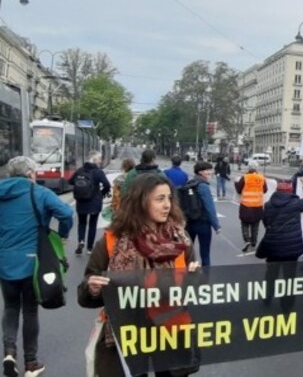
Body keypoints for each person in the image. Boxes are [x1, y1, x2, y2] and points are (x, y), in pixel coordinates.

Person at [77, 173, 201, 377]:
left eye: (169, 198)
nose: (167, 205)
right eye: (159, 199)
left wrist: (195, 277)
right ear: (139, 202)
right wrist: (92, 288)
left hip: (171, 332)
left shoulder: (181, 238)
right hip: (128, 334)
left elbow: (193, 290)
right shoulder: (111, 241)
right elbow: (86, 290)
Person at [0, 157, 73, 377]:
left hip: (4, 261)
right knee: (30, 310)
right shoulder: (38, 193)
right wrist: (62, 235)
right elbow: (67, 214)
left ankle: (9, 353)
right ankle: (31, 362)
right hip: (33, 263)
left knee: (11, 307)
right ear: (31, 173)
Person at [256, 177, 303, 264]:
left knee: (272, 273)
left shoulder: (268, 205)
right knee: (289, 274)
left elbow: (266, 222)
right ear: (290, 190)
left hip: (273, 245)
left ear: (277, 189)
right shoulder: (295, 203)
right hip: (292, 246)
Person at [69, 151, 111, 255]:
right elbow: (107, 185)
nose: (101, 161)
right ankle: (89, 248)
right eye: (99, 159)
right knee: (92, 224)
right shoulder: (98, 172)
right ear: (95, 159)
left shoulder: (80, 170)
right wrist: (101, 193)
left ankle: (81, 241)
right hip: (94, 201)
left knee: (82, 223)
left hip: (81, 201)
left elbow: (70, 181)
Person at [186, 162, 222, 266]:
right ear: (200, 172)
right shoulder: (203, 187)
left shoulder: (189, 184)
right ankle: (206, 277)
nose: (210, 172)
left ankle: (188, 276)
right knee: (205, 253)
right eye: (207, 170)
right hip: (203, 223)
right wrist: (216, 226)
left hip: (190, 222)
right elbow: (210, 208)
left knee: (189, 253)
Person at [235, 164, 267, 253]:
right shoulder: (261, 178)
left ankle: (247, 240)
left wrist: (236, 183)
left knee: (245, 224)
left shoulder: (245, 177)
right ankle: (254, 242)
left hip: (246, 205)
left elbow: (238, 189)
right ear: (257, 169)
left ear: (248, 169)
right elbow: (265, 190)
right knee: (255, 225)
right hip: (258, 205)